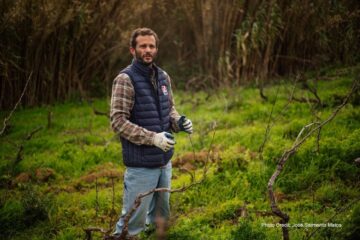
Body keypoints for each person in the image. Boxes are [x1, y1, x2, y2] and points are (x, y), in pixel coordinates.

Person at [110, 27, 193, 238]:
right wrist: (152, 138)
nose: (148, 50)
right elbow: (118, 121)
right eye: (143, 46)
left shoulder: (163, 76)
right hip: (141, 166)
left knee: (160, 217)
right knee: (131, 223)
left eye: (151, 46)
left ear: (156, 49)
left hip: (164, 161)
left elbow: (169, 110)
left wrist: (179, 122)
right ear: (133, 50)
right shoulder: (125, 79)